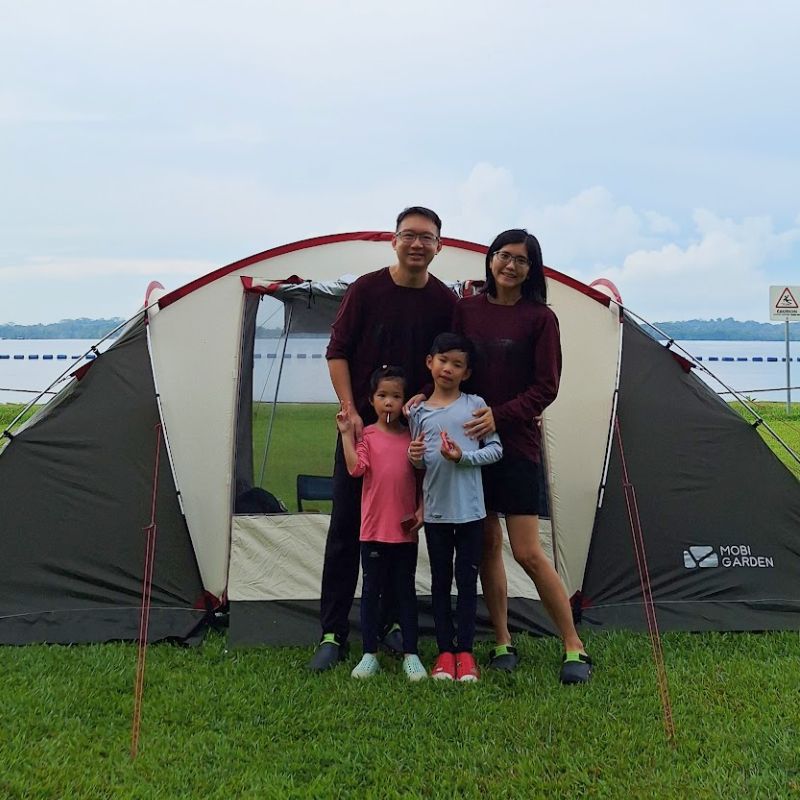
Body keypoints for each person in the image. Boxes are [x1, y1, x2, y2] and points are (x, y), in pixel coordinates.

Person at [307, 206, 457, 671]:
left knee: (402, 530)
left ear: (439, 246)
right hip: (363, 433)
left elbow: (452, 364)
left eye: (426, 237)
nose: (417, 244)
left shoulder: (444, 302)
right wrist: (351, 411)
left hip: (414, 440)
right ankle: (333, 632)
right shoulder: (366, 290)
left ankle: (392, 623)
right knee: (347, 529)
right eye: (409, 235)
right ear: (394, 241)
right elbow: (337, 352)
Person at [453, 229, 592, 684]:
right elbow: (449, 364)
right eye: (504, 256)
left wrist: (500, 416)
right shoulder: (465, 310)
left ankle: (573, 644)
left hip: (515, 446)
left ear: (532, 269)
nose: (510, 266)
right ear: (490, 260)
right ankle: (501, 639)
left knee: (528, 550)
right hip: (470, 445)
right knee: (488, 545)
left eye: (522, 260)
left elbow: (545, 388)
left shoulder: (540, 318)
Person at [408, 333, 502, 682]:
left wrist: (463, 457)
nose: (448, 368)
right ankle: (444, 653)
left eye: (457, 364)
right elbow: (419, 463)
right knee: (439, 581)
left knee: (466, 581)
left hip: (471, 512)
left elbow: (495, 450)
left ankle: (466, 653)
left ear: (466, 372)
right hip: (435, 513)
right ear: (429, 362)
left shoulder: (475, 404)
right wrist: (413, 457)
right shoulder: (417, 411)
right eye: (442, 360)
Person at [336, 366, 426, 681]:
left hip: (405, 534)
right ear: (371, 400)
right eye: (382, 396)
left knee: (405, 593)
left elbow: (422, 476)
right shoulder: (368, 437)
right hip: (373, 532)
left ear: (405, 402)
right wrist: (347, 435)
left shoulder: (413, 437)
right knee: (371, 592)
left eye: (396, 396)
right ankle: (369, 654)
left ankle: (411, 654)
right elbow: (355, 469)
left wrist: (421, 511)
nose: (389, 403)